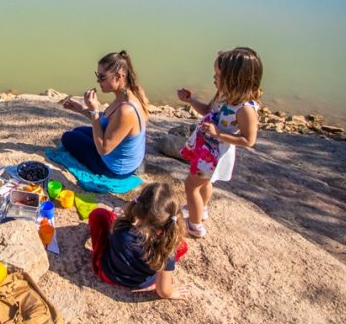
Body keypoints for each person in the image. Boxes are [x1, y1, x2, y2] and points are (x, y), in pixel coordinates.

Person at [177, 46, 263, 238]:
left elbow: (249, 140)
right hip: (204, 147)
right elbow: (208, 110)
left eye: (218, 74)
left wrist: (218, 133)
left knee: (191, 185)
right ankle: (202, 209)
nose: (214, 77)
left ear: (236, 79)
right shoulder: (225, 96)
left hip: (213, 153)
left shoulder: (245, 109)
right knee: (204, 183)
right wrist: (190, 100)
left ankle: (195, 225)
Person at [88, 182, 189, 299]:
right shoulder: (167, 248)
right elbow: (164, 291)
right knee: (182, 246)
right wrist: (171, 293)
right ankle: (157, 269)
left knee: (99, 214)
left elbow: (111, 227)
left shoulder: (120, 227)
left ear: (137, 208)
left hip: (107, 273)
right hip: (141, 282)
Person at [60, 50, 148, 177]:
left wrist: (95, 110)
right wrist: (81, 109)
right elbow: (110, 120)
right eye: (97, 75)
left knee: (68, 137)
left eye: (102, 77)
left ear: (119, 76)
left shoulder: (126, 110)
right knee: (78, 131)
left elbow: (103, 149)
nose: (98, 81)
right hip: (123, 155)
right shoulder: (131, 92)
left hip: (114, 168)